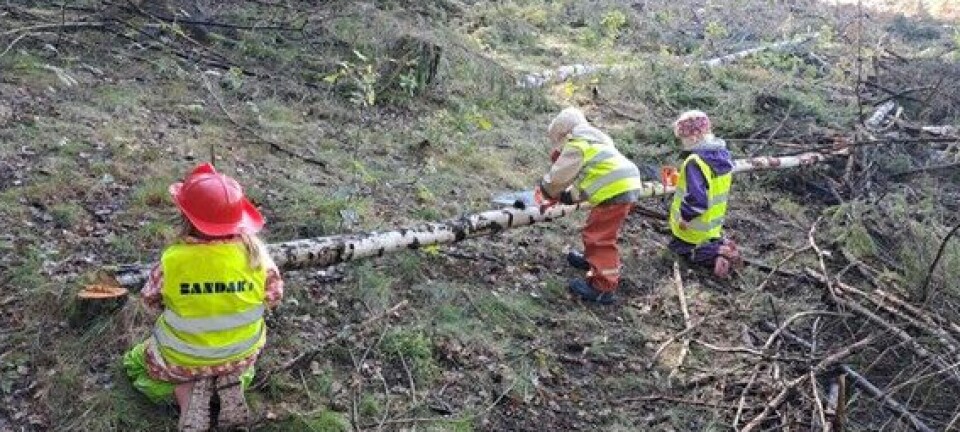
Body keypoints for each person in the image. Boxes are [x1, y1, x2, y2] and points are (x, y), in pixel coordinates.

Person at [122, 163, 283, 431]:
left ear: (186, 219)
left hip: (183, 357)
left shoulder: (173, 261)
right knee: (245, 368)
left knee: (135, 364)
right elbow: (274, 296)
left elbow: (149, 300)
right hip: (240, 353)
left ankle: (186, 396)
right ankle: (229, 384)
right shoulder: (257, 256)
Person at [537, 107, 644, 304]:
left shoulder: (577, 145)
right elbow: (592, 178)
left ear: (565, 135)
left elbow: (558, 177)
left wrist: (546, 190)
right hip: (625, 184)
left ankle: (603, 286)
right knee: (597, 229)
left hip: (615, 190)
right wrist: (571, 196)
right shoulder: (597, 141)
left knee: (599, 238)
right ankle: (592, 261)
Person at [667, 110, 742, 278]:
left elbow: (697, 198)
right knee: (696, 242)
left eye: (683, 139)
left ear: (693, 137)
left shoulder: (695, 162)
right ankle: (720, 245)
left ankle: (718, 254)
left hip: (693, 225)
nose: (683, 143)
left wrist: (685, 217)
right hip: (712, 225)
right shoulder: (723, 156)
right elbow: (709, 184)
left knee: (680, 251)